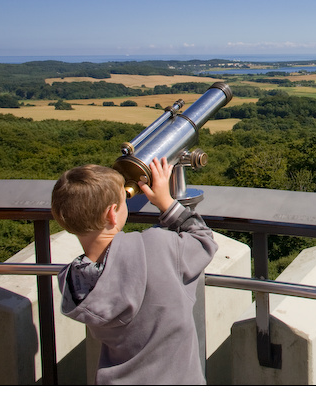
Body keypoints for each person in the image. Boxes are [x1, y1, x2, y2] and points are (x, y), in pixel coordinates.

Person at [52, 157, 218, 384]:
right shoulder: (157, 247)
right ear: (112, 213)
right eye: (124, 199)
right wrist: (166, 203)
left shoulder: (72, 280)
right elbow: (203, 240)